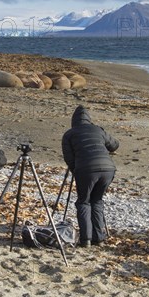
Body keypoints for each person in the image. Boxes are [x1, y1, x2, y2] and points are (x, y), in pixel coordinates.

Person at [62, 105, 119, 247]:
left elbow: (69, 159)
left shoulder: (69, 134)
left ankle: (86, 239)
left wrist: (77, 172)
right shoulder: (98, 130)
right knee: (97, 200)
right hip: (108, 169)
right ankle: (99, 238)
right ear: (89, 119)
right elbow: (115, 144)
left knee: (84, 202)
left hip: (86, 169)